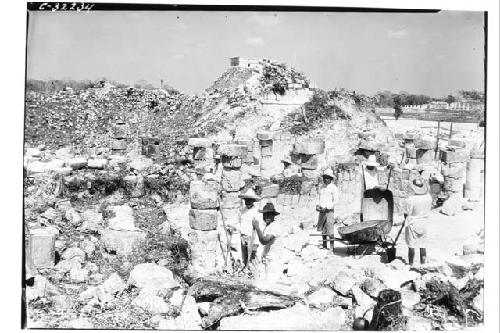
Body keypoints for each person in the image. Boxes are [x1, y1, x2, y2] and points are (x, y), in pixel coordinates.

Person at [404, 177, 432, 266]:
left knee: (411, 246)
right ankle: (423, 264)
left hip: (413, 223)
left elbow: (406, 213)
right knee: (423, 245)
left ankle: (411, 264)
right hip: (424, 223)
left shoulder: (410, 199)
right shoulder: (429, 197)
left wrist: (406, 219)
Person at [252, 202, 283, 281]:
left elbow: (264, 241)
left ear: (273, 215)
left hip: (273, 261)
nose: (266, 217)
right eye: (264, 215)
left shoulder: (275, 226)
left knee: (270, 285)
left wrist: (257, 228)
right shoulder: (268, 226)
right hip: (267, 259)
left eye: (269, 214)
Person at [316, 168, 340, 250]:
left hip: (329, 211)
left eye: (327, 178)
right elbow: (319, 198)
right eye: (324, 178)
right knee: (323, 229)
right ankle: (324, 245)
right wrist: (318, 205)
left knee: (330, 228)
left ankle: (331, 248)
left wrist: (328, 207)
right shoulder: (321, 187)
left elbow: (336, 201)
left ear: (331, 179)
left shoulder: (333, 188)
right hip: (322, 211)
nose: (325, 179)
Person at [238, 188, 261, 268]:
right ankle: (246, 271)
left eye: (249, 200)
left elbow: (258, 227)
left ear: (253, 201)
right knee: (244, 256)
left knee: (252, 256)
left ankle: (256, 271)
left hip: (251, 236)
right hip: (242, 235)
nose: (247, 202)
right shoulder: (243, 210)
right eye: (246, 200)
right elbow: (240, 223)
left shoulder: (255, 212)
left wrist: (256, 242)